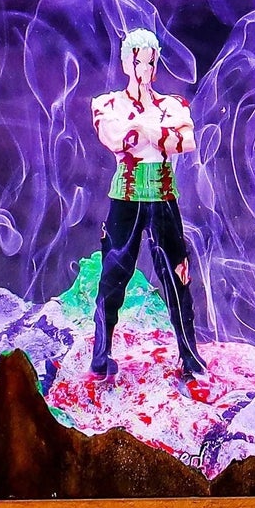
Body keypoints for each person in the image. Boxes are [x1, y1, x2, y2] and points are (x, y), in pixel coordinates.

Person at [88, 27, 207, 380]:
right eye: (140, 61)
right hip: (125, 199)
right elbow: (114, 138)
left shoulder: (173, 104)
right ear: (127, 63)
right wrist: (155, 132)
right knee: (112, 276)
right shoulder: (107, 103)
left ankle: (189, 354)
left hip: (163, 199)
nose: (146, 69)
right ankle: (101, 354)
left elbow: (185, 141)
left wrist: (140, 130)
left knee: (177, 277)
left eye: (151, 62)